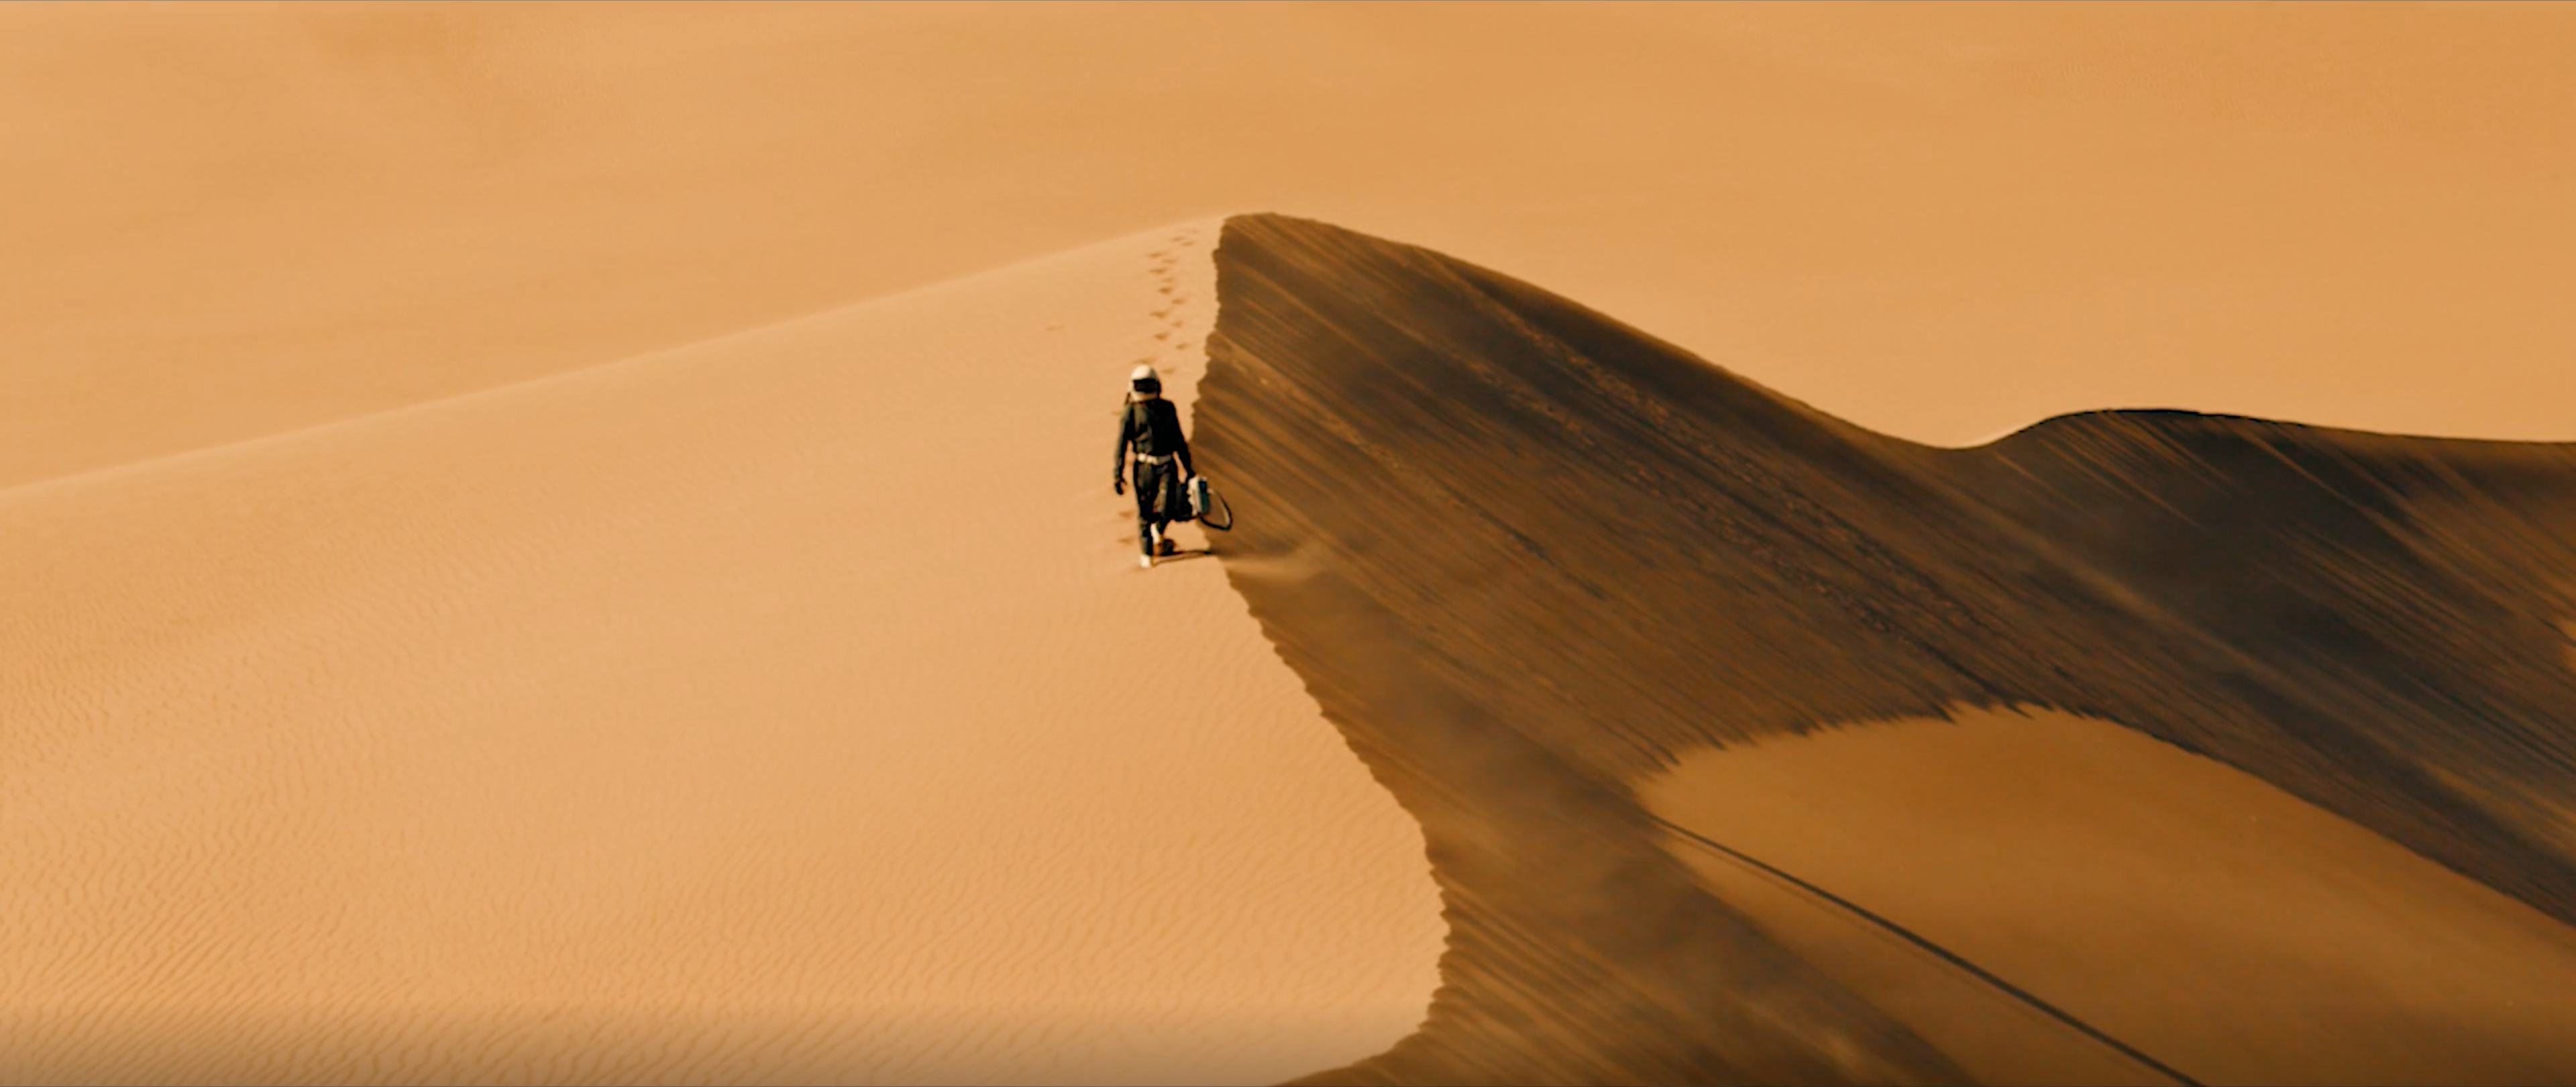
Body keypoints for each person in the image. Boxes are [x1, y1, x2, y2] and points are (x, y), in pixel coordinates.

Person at [1113, 364, 1194, 568]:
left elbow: (1178, 439)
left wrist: (1189, 468)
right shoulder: (1130, 412)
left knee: (1168, 506)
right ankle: (1146, 554)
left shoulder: (1168, 408)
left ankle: (1158, 531)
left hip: (1167, 464)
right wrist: (1117, 474)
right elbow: (1121, 444)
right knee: (1144, 511)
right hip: (1143, 467)